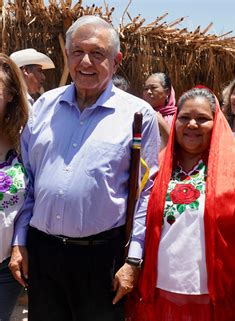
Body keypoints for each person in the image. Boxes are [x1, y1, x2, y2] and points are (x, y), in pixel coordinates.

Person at [9, 15, 160, 321]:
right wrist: (19, 241)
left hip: (102, 258)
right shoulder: (43, 108)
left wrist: (133, 260)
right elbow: (28, 182)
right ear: (67, 56)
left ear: (116, 61)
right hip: (43, 253)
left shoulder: (138, 115)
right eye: (77, 52)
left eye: (97, 54)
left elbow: (146, 193)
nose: (86, 61)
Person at [129, 87, 235, 321]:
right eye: (185, 118)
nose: (192, 125)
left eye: (202, 119)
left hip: (215, 299)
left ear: (216, 122)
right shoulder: (157, 167)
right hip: (160, 295)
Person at [0, 54, 29, 321]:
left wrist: (19, 245)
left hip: (5, 268)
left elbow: (31, 200)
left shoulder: (24, 141)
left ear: (10, 94)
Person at [142, 72, 173, 147]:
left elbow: (176, 146)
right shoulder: (140, 114)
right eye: (146, 89)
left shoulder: (178, 117)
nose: (148, 92)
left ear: (167, 92)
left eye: (153, 88)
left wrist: (161, 123)